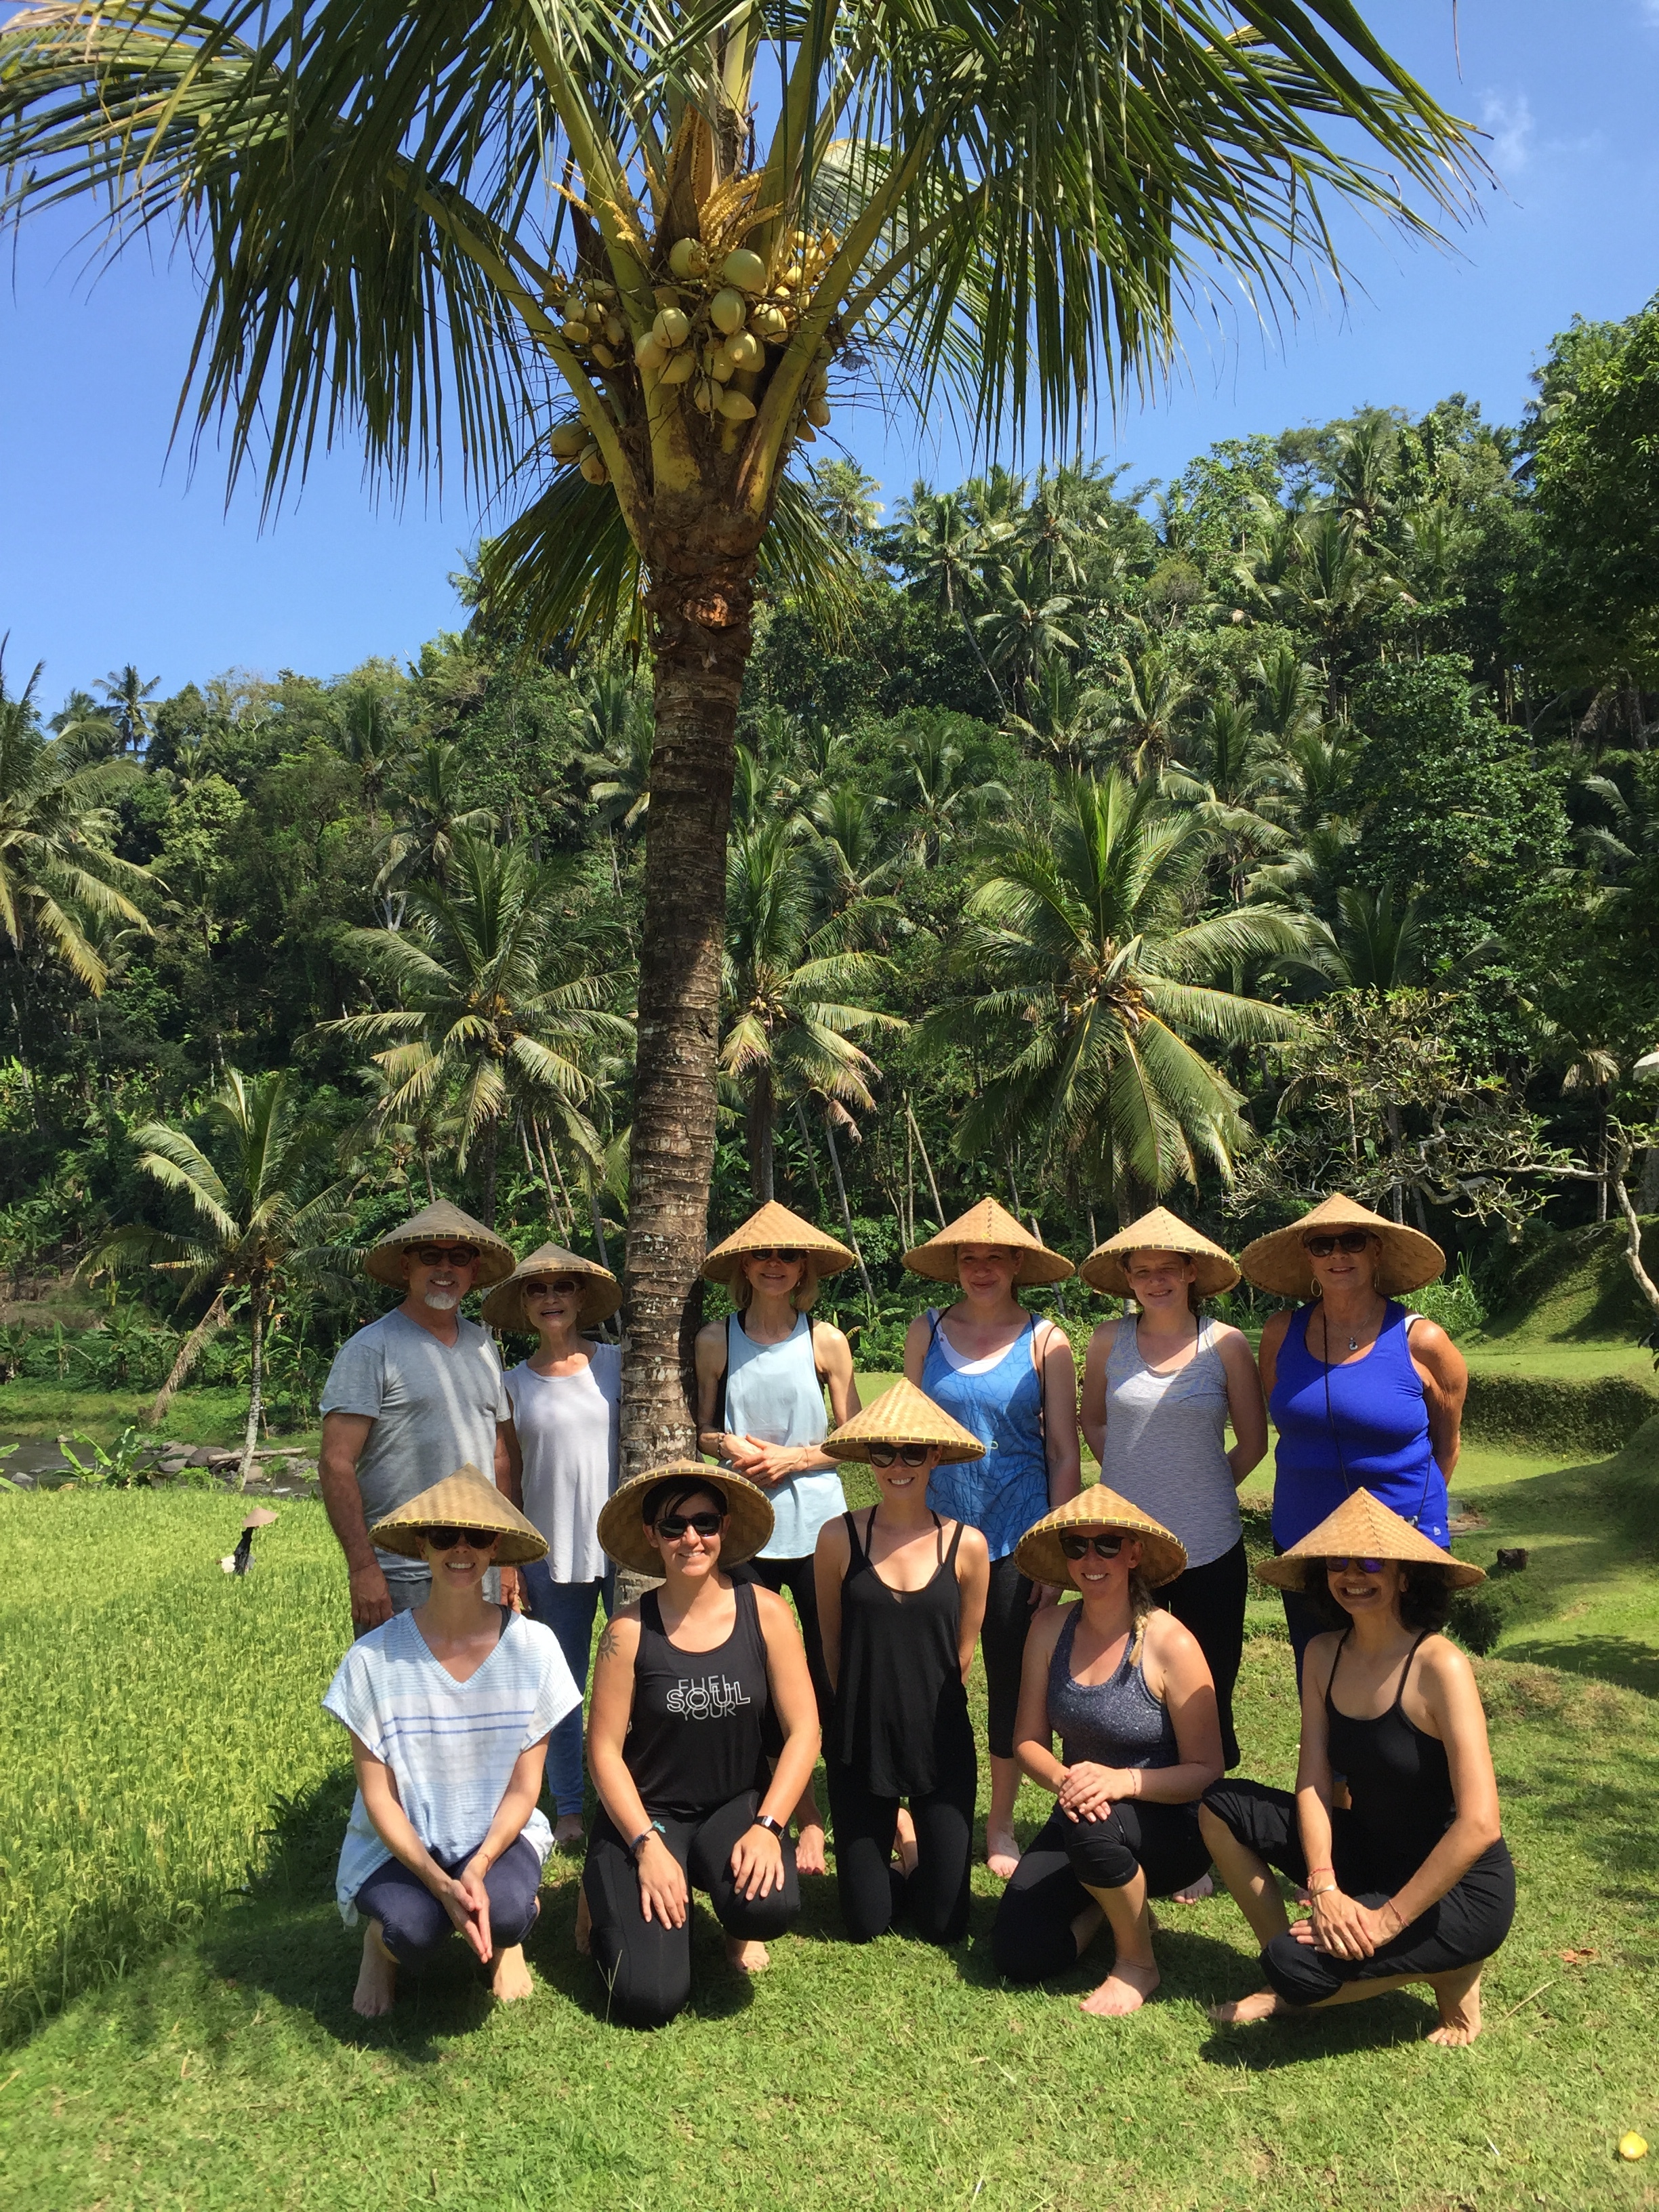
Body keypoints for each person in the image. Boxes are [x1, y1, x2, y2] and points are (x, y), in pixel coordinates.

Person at [1201, 1490, 1513, 2045]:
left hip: (1458, 1890)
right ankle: (1302, 1980)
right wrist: (1323, 1886)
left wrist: (1385, 1921)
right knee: (1222, 1807)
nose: (1352, 1576)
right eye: (1338, 1563)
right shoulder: (1324, 1653)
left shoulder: (1440, 1665)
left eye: (1371, 1563)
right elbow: (1315, 1783)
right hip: (1369, 1853)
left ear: (1404, 1577)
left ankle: (1451, 1967)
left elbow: (1481, 1824)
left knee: (1291, 1966)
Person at [320, 1465, 580, 2017]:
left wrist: (481, 1865)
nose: (460, 1550)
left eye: (478, 1538)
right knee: (411, 1932)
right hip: (402, 1845)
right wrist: (440, 1883)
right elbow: (378, 1799)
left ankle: (506, 1942)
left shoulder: (535, 1649)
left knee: (506, 1912)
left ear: (495, 1550)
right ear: (422, 1544)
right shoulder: (374, 1658)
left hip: (495, 1839)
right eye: (444, 1537)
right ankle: (379, 1945)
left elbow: (525, 1787)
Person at [583, 1462, 820, 2029]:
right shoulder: (628, 1632)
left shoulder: (766, 1612)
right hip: (649, 1815)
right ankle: (600, 1908)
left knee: (769, 1906)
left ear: (725, 1526)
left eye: (705, 1522)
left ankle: (729, 1922)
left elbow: (805, 1730)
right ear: (650, 1536)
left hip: (731, 1805)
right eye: (673, 1526)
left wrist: (768, 1827)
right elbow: (604, 1752)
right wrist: (644, 1844)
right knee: (649, 1998)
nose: (691, 1538)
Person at [991, 1488, 1224, 2016]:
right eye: (1076, 1547)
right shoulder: (1050, 1629)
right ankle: (1110, 1905)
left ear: (1134, 1553)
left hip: (1169, 1825)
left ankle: (1138, 1963)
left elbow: (1208, 1772)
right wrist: (1067, 1782)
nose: (1091, 1560)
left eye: (1107, 1545)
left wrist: (1124, 1783)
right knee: (1017, 1952)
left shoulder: (1172, 1644)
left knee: (1095, 1826)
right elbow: (1026, 1741)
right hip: (1082, 1812)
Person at [902, 1197, 1081, 1877]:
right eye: (969, 1258)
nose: (981, 1269)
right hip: (936, 1529)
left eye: (995, 1257)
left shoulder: (1047, 1340)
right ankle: (921, 1809)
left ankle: (1000, 1824)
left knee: (1012, 1685)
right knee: (928, 1677)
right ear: (955, 1266)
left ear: (1017, 1265)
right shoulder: (926, 1331)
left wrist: (1053, 1553)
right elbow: (907, 1435)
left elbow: (1065, 1452)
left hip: (1017, 1532)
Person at [694, 1199, 860, 1875]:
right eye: (762, 1255)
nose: (773, 1265)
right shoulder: (716, 1339)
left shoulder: (826, 1341)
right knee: (756, 1673)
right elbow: (700, 1430)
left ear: (804, 1269)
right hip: (747, 1528)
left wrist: (795, 1458)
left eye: (787, 1256)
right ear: (743, 1266)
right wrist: (723, 1442)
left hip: (819, 1525)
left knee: (828, 1667)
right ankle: (801, 1811)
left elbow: (854, 1441)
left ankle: (848, 1805)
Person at [1241, 1194, 1469, 1676]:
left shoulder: (1423, 1342)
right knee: (1321, 1676)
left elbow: (1446, 1444)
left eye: (1352, 1242)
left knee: (1406, 1682)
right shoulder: (1281, 1333)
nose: (1337, 1255)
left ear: (1376, 1251)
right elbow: (1290, 1421)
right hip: (1307, 1542)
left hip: (1402, 1542)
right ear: (1308, 1257)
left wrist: (1405, 1518)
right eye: (1322, 1245)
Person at [1079, 1208, 1266, 1777]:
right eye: (1141, 1271)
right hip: (1126, 1547)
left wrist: (1200, 1489)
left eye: (1167, 1268)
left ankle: (1205, 1806)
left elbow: (1254, 1443)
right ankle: (1132, 1796)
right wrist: (1137, 1481)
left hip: (1211, 1544)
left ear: (1191, 1272)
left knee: (1208, 1682)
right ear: (1128, 1279)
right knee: (1128, 1681)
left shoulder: (1225, 1345)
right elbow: (1092, 1421)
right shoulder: (1109, 1340)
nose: (1154, 1280)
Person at [815, 1381, 991, 1946]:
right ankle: (890, 1832)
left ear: (935, 1456)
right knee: (869, 1922)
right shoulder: (837, 1538)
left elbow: (962, 1655)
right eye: (885, 1452)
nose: (898, 1465)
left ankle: (911, 1841)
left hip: (940, 1743)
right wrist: (860, 1716)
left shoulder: (967, 1545)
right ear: (868, 1458)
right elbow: (832, 1645)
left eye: (914, 1452)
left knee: (944, 1925)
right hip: (860, 1741)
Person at [319, 1201, 518, 1637]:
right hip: (402, 1571)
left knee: (474, 1692)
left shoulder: (484, 1348)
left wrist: (504, 1564)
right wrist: (363, 1567)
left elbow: (499, 1456)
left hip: (478, 1564)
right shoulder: (372, 1349)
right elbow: (336, 1461)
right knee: (399, 1699)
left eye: (458, 1257)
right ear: (408, 1265)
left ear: (473, 1269)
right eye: (431, 1256)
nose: (445, 1268)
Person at [487, 1242, 621, 1851]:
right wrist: (509, 1561)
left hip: (629, 1547)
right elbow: (505, 1475)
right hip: (550, 1553)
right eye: (538, 1291)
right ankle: (569, 1804)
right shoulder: (511, 1383)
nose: (551, 1299)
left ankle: (634, 1793)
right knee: (561, 1683)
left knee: (639, 1675)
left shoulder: (618, 1365)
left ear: (581, 1298)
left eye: (562, 1289)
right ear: (524, 1303)